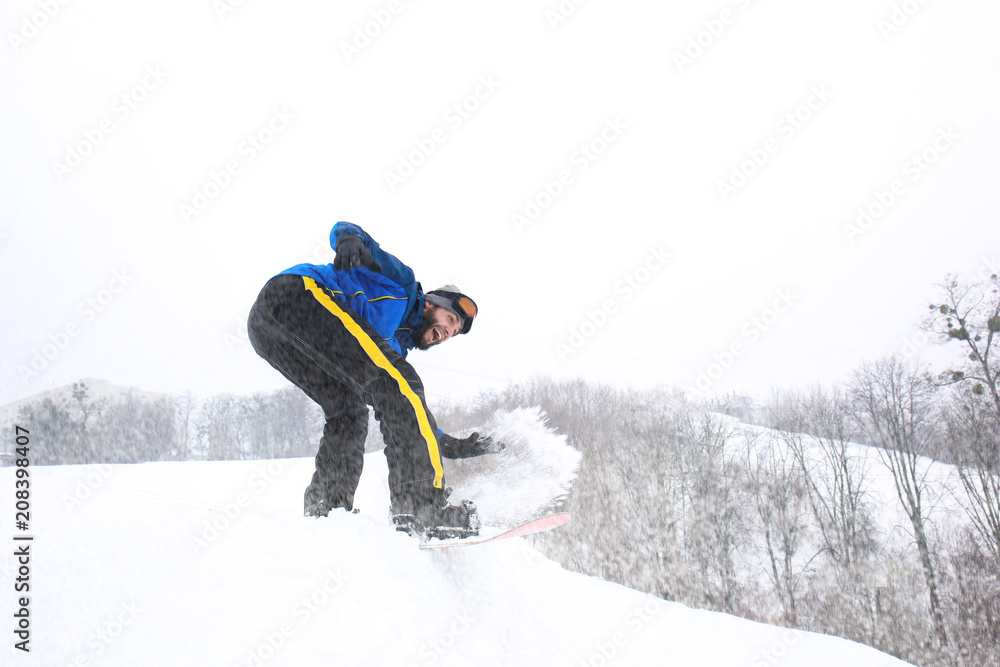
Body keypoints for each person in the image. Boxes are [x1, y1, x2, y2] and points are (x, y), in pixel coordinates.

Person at [247, 221, 500, 539]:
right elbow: (352, 234)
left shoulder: (392, 347)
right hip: (298, 294)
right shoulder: (402, 285)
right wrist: (349, 241)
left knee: (348, 412)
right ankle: (423, 506)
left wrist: (450, 444)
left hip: (268, 331)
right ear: (432, 303)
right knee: (400, 384)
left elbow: (407, 413)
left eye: (451, 333)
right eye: (449, 319)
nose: (445, 333)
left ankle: (328, 511)